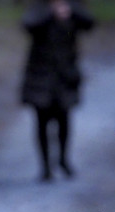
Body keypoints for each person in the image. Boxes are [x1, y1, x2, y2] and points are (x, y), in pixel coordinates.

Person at [20, 0, 95, 182]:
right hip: (40, 75)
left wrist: (70, 11)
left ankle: (63, 159)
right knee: (41, 121)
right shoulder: (39, 7)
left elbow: (90, 23)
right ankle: (45, 166)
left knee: (64, 119)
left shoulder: (73, 6)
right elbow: (28, 25)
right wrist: (51, 13)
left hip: (65, 75)